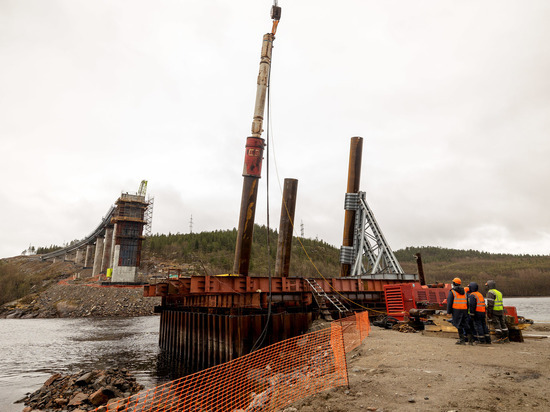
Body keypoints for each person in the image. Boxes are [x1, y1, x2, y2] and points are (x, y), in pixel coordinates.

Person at [447, 277, 468, 345]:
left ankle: (462, 340)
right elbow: (467, 301)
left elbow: (449, 302)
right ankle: (470, 340)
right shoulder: (464, 291)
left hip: (456, 310)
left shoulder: (452, 291)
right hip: (464, 310)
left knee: (458, 325)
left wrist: (448, 312)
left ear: (454, 283)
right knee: (465, 324)